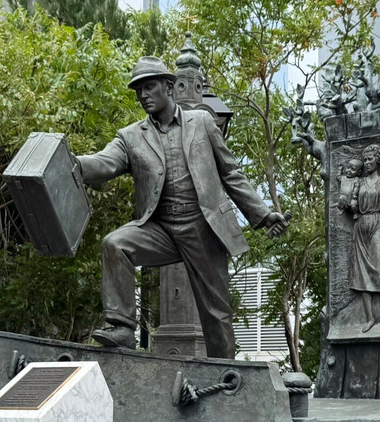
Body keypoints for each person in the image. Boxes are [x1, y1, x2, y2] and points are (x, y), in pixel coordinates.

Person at [73, 57, 289, 359]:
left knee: (216, 311)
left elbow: (231, 173)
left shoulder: (202, 122)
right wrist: (72, 163)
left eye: (149, 87)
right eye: (138, 91)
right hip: (159, 229)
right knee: (115, 244)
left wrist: (262, 214)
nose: (143, 95)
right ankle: (122, 327)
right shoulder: (130, 136)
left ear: (169, 86)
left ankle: (226, 371)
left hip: (203, 226)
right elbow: (105, 162)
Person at [348, 144, 380, 332]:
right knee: (362, 275)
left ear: (378, 160)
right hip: (360, 226)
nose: (367, 162)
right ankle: (370, 319)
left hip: (377, 224)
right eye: (365, 160)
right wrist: (351, 203)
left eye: (370, 159)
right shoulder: (359, 183)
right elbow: (352, 204)